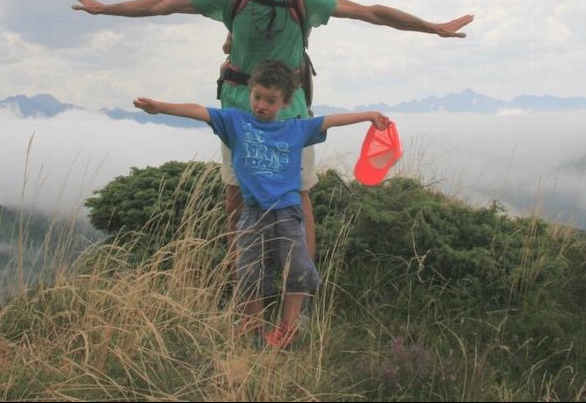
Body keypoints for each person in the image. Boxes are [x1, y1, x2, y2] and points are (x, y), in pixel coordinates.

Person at [71, 0, 473, 261]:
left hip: (292, 114)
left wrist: (431, 27)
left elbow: (370, 13)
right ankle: (243, 279)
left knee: (300, 201)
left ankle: (301, 283)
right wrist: (106, 9)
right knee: (236, 199)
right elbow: (164, 4)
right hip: (240, 113)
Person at [133, 59, 392, 349]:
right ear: (249, 94)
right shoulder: (235, 122)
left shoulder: (295, 129)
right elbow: (200, 111)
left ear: (285, 102)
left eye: (271, 100)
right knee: (248, 273)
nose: (262, 105)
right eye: (257, 97)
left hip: (287, 214)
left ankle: (288, 328)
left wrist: (369, 115)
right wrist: (159, 107)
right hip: (252, 214)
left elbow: (331, 120)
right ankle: (252, 325)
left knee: (298, 273)